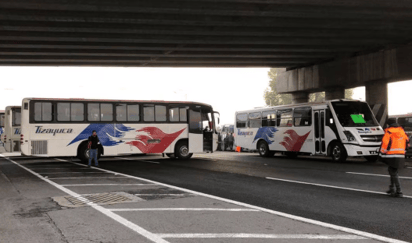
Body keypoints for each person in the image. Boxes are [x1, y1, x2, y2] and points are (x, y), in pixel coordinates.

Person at [380, 123, 409, 197]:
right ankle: (392, 188)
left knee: (393, 172)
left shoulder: (389, 132)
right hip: (401, 154)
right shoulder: (402, 132)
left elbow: (385, 143)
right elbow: (407, 142)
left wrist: (382, 153)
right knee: (392, 171)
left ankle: (399, 191)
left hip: (391, 155)